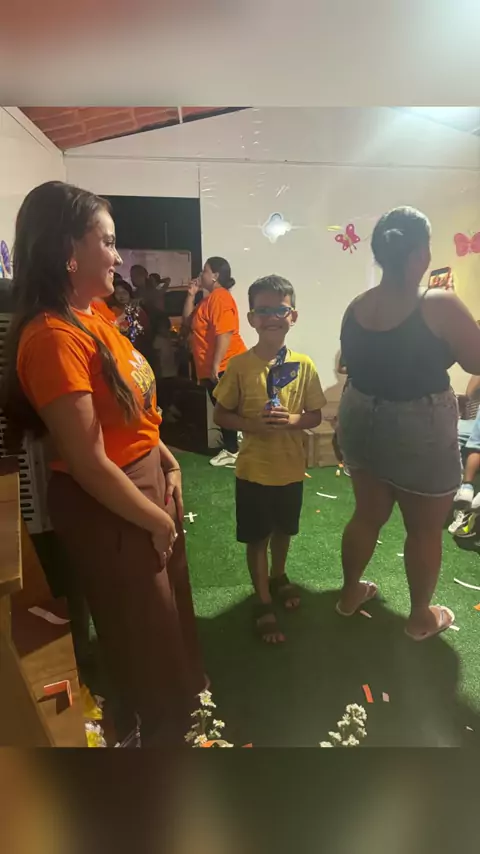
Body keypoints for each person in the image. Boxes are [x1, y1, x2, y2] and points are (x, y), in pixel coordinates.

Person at [0, 181, 204, 745]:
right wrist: (155, 517)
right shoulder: (52, 337)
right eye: (108, 242)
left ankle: (181, 720)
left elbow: (130, 409)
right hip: (110, 501)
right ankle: (154, 742)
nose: (118, 257)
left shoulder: (93, 315)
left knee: (166, 619)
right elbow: (88, 463)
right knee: (141, 634)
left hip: (139, 483)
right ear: (68, 249)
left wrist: (166, 459)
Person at [337, 206, 480, 641]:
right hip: (419, 421)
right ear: (420, 254)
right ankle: (419, 618)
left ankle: (349, 594)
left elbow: (349, 364)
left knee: (367, 514)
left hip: (360, 411)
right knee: (423, 529)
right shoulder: (438, 302)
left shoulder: (357, 306)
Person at [213, 275, 325, 642]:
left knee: (284, 531)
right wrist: (251, 425)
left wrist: (292, 420)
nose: (272, 317)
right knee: (257, 538)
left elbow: (314, 415)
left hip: (290, 470)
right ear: (251, 318)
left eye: (280, 309)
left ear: (293, 316)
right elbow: (221, 414)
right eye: (263, 310)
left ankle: (279, 575)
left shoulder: (304, 365)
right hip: (254, 471)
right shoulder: (239, 366)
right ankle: (262, 600)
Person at [183, 257, 247, 466]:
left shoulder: (220, 298)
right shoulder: (208, 299)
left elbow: (225, 332)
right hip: (214, 365)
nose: (201, 274)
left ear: (215, 276)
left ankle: (232, 450)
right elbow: (187, 322)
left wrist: (216, 365)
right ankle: (233, 447)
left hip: (225, 364)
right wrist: (191, 295)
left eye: (205, 270)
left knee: (225, 408)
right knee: (223, 407)